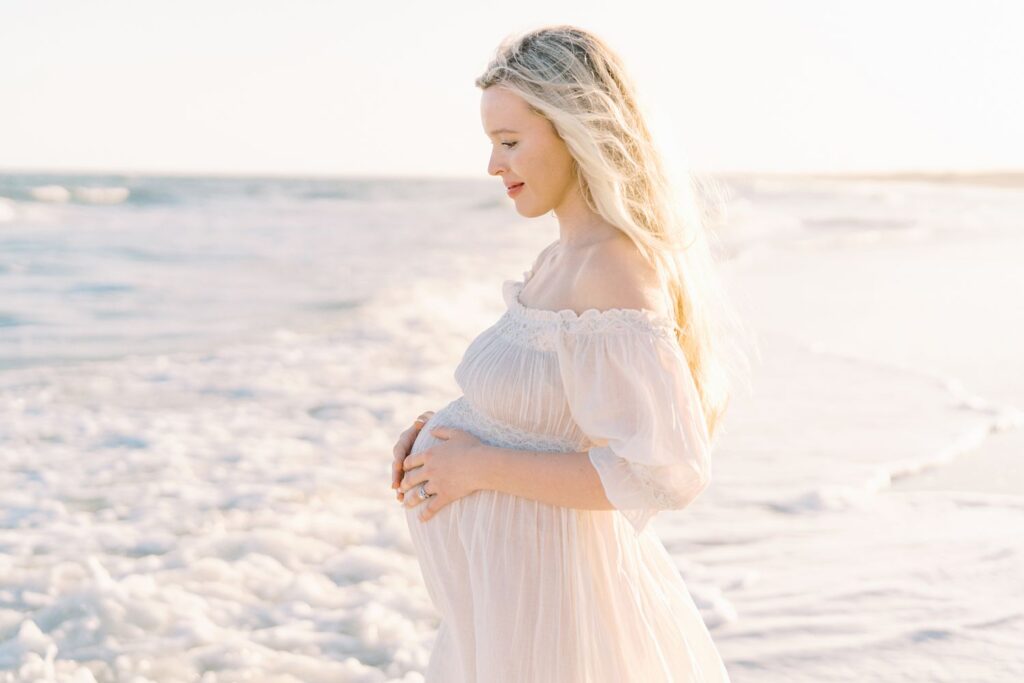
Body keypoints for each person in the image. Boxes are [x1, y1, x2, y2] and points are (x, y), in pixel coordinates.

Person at [389, 23, 751, 682]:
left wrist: (477, 466)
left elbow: (664, 472)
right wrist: (439, 435)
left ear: (575, 131)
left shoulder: (613, 269)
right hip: (507, 610)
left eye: (509, 142)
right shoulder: (559, 259)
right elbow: (549, 416)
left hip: (560, 615)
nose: (494, 166)